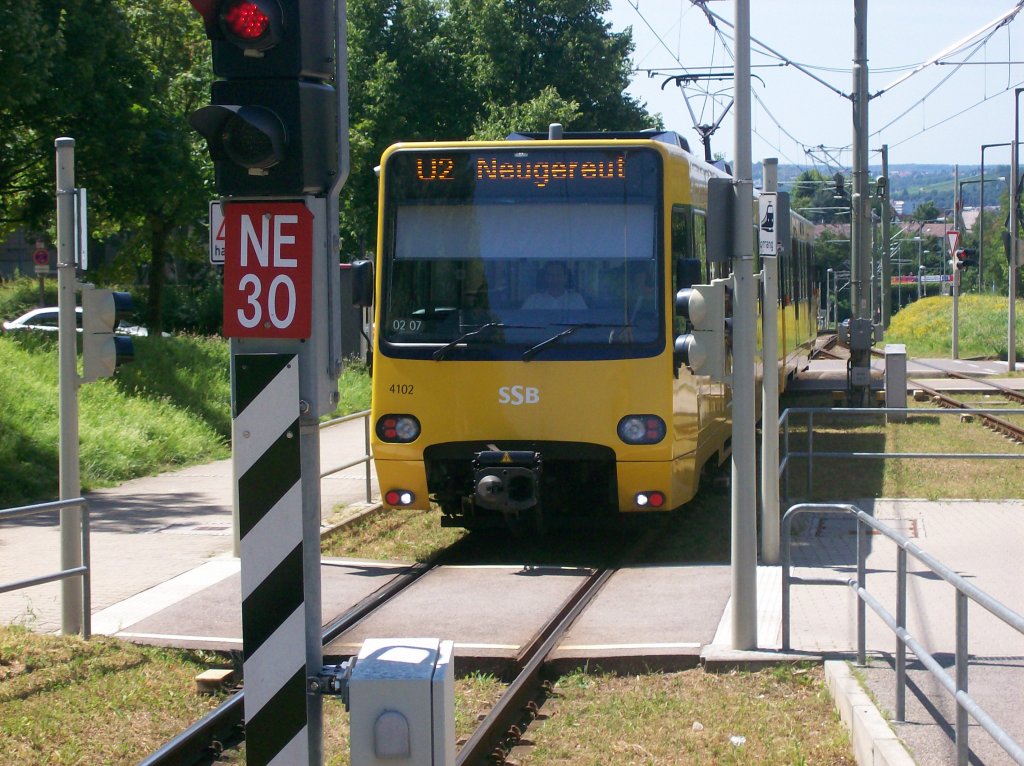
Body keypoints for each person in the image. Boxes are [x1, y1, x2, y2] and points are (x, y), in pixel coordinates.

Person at [521, 262, 587, 310]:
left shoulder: (576, 299)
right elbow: (523, 320)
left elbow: (584, 321)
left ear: (565, 277)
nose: (555, 279)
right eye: (551, 275)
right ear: (545, 277)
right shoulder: (533, 300)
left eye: (558, 275)